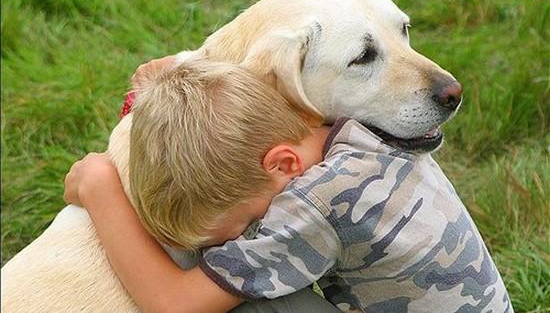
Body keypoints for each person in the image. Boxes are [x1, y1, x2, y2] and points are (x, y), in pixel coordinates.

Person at [65, 59, 512, 312]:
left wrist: (100, 187)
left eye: (246, 225)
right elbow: (235, 106)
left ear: (283, 163)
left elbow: (174, 306)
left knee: (250, 305)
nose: (246, 239)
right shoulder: (359, 130)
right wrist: (175, 83)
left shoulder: (315, 204)